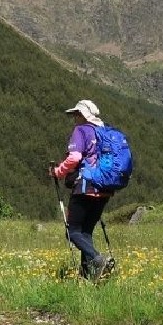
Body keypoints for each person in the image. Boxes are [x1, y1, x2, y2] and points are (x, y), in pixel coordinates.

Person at [52, 98, 118, 281]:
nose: (74, 118)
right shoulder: (104, 132)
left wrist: (58, 171)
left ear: (83, 115)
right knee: (86, 232)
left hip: (85, 186)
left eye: (76, 115)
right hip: (104, 188)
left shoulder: (81, 130)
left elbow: (74, 157)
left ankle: (97, 259)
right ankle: (88, 275)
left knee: (72, 231)